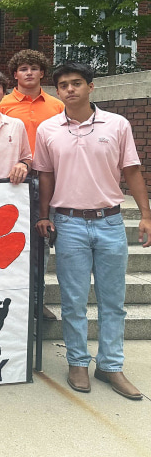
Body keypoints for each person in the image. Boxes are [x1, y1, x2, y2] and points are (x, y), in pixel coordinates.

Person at [35, 62, 151, 400]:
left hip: (110, 221)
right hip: (68, 222)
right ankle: (77, 362)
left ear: (91, 87)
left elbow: (131, 171)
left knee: (113, 302)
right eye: (64, 85)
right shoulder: (48, 129)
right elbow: (45, 176)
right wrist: (44, 215)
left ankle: (111, 365)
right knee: (73, 301)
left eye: (77, 83)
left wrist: (145, 214)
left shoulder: (117, 124)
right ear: (57, 91)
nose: (70, 89)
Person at [0, 49, 65, 321]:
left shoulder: (57, 105)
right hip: (13, 180)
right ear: (15, 74)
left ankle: (38, 301)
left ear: (42, 73)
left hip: (48, 177)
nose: (29, 72)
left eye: (34, 68)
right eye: (23, 68)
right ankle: (9, 300)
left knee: (41, 242)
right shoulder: (2, 103)